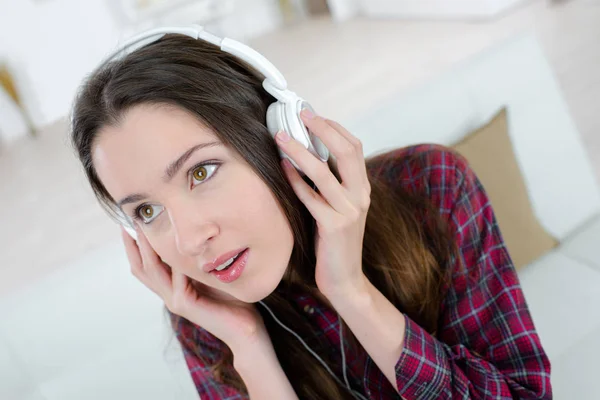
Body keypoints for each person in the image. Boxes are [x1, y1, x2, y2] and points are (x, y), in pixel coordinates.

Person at [70, 29, 552, 400]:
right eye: (148, 210)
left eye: (202, 171)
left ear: (283, 137)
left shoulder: (431, 184)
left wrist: (351, 293)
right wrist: (248, 345)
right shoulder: (204, 314)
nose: (190, 240)